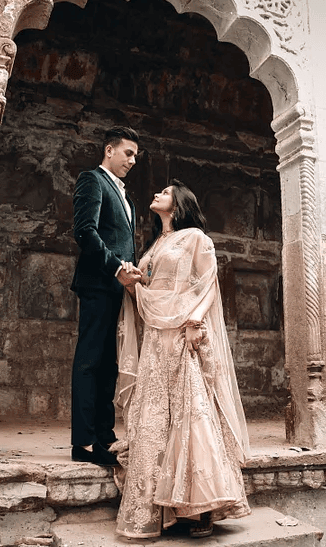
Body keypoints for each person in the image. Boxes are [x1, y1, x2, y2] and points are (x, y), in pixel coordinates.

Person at [112, 180, 251, 539]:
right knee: (156, 415)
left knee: (191, 412)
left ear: (179, 204)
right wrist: (131, 281)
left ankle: (202, 507)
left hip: (183, 333)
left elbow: (209, 283)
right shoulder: (155, 244)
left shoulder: (195, 238)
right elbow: (150, 294)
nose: (157, 193)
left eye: (166, 191)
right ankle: (161, 505)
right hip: (156, 339)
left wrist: (194, 321)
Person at [70, 126, 142, 466]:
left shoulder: (126, 195)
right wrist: (115, 267)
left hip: (119, 288)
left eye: (135, 156)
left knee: (110, 364)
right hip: (99, 283)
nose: (132, 160)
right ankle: (83, 443)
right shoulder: (92, 180)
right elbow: (85, 231)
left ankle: (105, 436)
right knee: (89, 361)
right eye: (127, 153)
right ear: (109, 149)